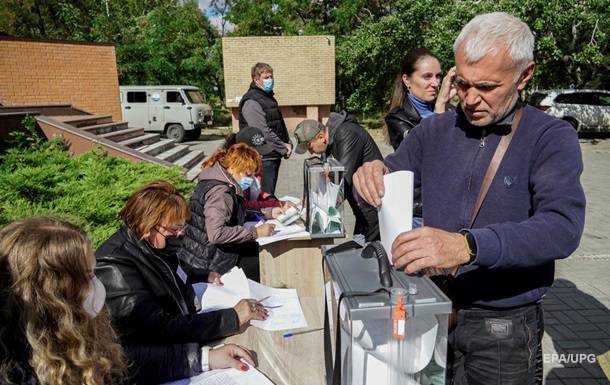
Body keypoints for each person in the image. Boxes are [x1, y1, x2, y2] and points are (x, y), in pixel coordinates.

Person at [352, 12, 585, 384]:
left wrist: (469, 246)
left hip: (503, 330)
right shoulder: (436, 130)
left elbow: (562, 228)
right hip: (431, 311)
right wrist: (370, 173)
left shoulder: (551, 137)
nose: (470, 99)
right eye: (462, 84)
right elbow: (392, 171)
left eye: (487, 87)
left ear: (525, 75)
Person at [95, 181, 266, 384]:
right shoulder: (114, 265)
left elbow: (173, 270)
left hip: (186, 332)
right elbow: (157, 327)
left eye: (181, 226)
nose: (180, 233)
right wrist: (231, 318)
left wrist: (201, 274)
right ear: (149, 226)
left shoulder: (154, 244)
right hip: (161, 360)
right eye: (173, 229)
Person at [0, 217, 127, 385]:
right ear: (51, 292)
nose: (97, 284)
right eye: (88, 276)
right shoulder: (14, 370)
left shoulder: (83, 330)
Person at [178, 143, 275, 284]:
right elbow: (216, 234)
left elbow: (235, 212)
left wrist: (267, 213)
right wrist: (255, 233)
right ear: (236, 168)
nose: (251, 179)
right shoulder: (220, 192)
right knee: (256, 258)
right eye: (248, 174)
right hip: (207, 261)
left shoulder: (219, 180)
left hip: (201, 254)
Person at [293, 111, 383, 241]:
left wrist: (318, 207)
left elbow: (342, 180)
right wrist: (309, 200)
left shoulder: (346, 133)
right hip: (362, 209)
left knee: (367, 254)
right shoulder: (329, 143)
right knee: (358, 249)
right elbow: (327, 178)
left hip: (375, 208)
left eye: (309, 146)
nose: (310, 151)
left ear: (320, 136)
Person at [385, 48, 457, 150]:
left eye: (438, 76)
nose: (436, 83)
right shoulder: (398, 118)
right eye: (427, 76)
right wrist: (440, 104)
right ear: (406, 80)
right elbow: (428, 153)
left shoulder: (450, 110)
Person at [238, 62, 292, 195]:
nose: (270, 80)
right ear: (256, 79)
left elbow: (279, 124)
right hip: (262, 156)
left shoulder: (268, 98)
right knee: (263, 196)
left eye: (271, 77)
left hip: (272, 155)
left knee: (269, 193)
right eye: (266, 77)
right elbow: (262, 131)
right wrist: (283, 147)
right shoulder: (252, 101)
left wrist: (288, 142)